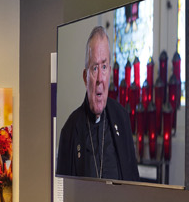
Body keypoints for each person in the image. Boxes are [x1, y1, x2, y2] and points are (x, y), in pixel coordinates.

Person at [56, 26, 139, 178]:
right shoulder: (69, 131)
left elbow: (135, 186)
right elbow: (62, 197)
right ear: (85, 77)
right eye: (94, 68)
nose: (100, 78)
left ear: (110, 73)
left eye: (104, 66)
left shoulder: (122, 118)